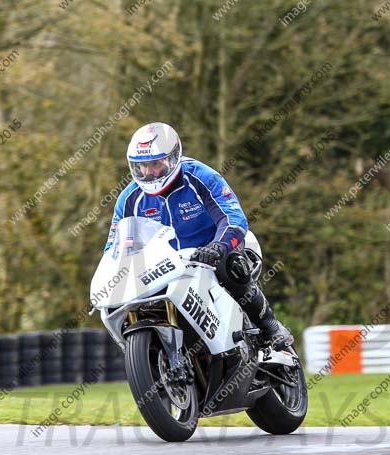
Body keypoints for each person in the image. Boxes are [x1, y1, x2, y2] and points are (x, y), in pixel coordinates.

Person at [104, 122, 293, 351]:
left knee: (231, 265)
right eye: (141, 166)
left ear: (173, 158)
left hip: (212, 251)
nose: (147, 172)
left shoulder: (200, 176)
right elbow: (115, 246)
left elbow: (233, 218)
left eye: (154, 164)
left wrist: (219, 247)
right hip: (165, 267)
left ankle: (271, 327)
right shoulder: (128, 199)